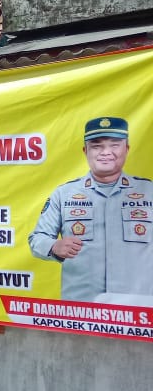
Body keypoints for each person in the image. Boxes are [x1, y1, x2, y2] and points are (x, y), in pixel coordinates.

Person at [29, 117, 153, 302]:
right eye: (96, 146)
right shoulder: (64, 194)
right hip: (81, 308)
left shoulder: (149, 192)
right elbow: (37, 238)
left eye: (115, 145)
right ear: (85, 151)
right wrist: (54, 246)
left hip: (138, 308)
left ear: (126, 149)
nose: (106, 152)